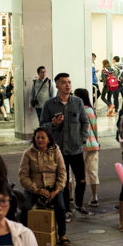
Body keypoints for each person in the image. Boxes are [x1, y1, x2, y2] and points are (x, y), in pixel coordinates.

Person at [40, 72, 89, 217]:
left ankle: (79, 204)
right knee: (63, 180)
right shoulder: (49, 104)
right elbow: (42, 125)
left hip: (76, 147)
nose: (67, 85)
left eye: (69, 82)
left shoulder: (77, 102)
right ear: (57, 85)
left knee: (81, 179)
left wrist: (82, 138)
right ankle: (66, 208)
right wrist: (53, 124)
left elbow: (85, 121)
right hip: (58, 149)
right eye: (63, 82)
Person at [18, 127, 68, 245]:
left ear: (48, 140)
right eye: (37, 138)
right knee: (26, 207)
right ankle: (23, 235)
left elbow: (62, 172)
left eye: (42, 138)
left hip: (53, 187)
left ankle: (62, 234)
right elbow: (23, 176)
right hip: (35, 188)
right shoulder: (28, 153)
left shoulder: (56, 151)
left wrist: (57, 190)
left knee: (61, 207)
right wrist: (36, 189)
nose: (39, 140)